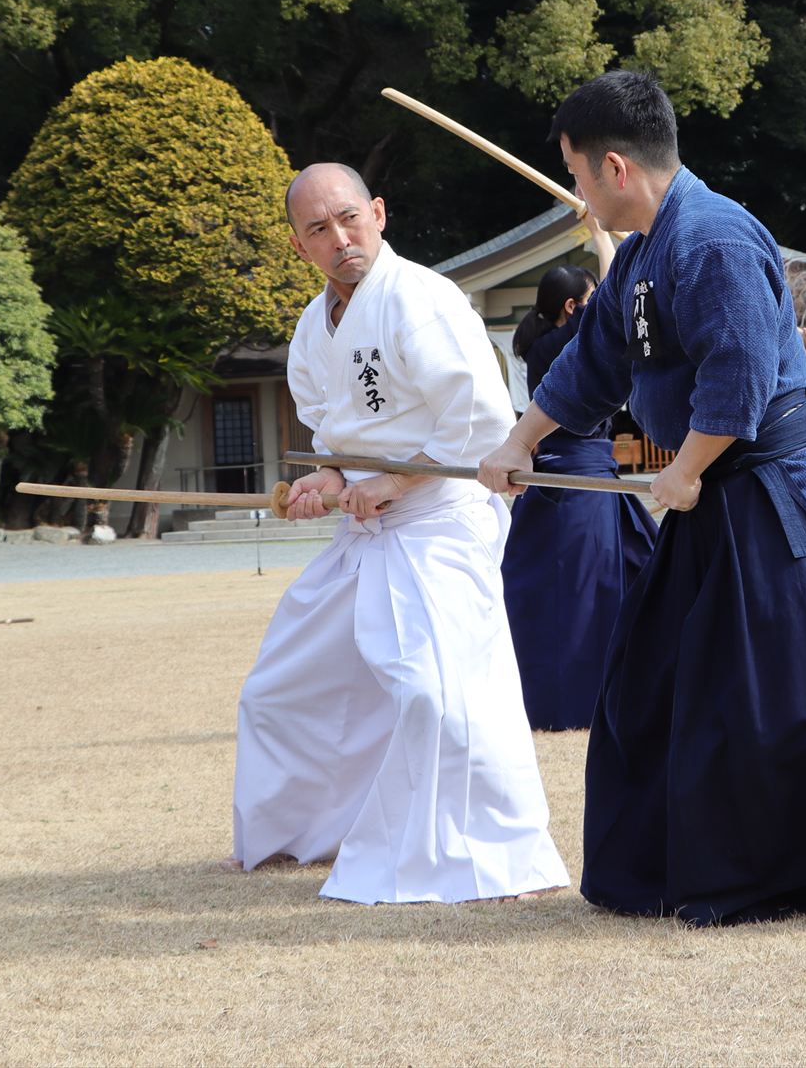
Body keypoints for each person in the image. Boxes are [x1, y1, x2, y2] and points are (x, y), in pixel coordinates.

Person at [479, 70, 806, 940]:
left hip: (780, 491)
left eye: (578, 174)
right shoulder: (644, 253)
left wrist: (687, 466)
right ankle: (694, 866)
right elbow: (593, 361)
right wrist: (520, 440)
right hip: (711, 496)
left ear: (615, 166)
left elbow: (738, 372)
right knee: (659, 680)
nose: (577, 193)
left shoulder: (714, 237)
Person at [228, 162, 569, 904]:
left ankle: (494, 855)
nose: (340, 238)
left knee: (436, 693)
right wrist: (327, 481)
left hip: (439, 520)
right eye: (319, 229)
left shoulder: (424, 299)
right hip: (366, 531)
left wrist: (393, 483)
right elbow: (332, 437)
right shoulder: (313, 328)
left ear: (378, 213)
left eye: (349, 218)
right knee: (281, 685)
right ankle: (307, 830)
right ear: (299, 246)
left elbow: (478, 423)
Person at [501, 235, 659, 730]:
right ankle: (583, 700)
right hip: (577, 481)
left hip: (573, 477)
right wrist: (600, 236)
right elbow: (618, 293)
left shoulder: (544, 345)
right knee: (590, 592)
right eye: (588, 301)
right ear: (572, 308)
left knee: (605, 579)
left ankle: (623, 688)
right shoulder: (562, 343)